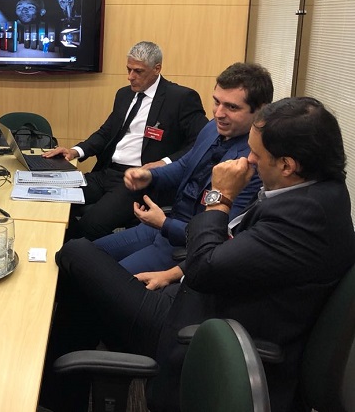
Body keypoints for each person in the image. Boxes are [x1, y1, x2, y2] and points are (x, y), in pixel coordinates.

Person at [42, 97, 355, 412]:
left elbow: (208, 265)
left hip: (197, 330)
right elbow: (244, 253)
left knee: (75, 252)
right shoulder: (320, 193)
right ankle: (63, 393)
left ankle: (57, 391)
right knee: (84, 294)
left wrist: (220, 197)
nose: (248, 160)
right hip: (194, 297)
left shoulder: (304, 217)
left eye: (257, 155)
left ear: (288, 165)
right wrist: (174, 272)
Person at [93, 62, 273, 273]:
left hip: (185, 244)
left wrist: (163, 223)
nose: (218, 113)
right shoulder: (212, 129)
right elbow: (185, 165)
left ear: (260, 110)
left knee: (103, 277)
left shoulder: (254, 163)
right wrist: (150, 175)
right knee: (87, 254)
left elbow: (222, 233)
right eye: (216, 102)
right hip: (165, 225)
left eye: (232, 107)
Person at [44, 41, 208, 239]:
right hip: (107, 173)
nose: (131, 77)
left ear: (157, 69)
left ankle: (65, 263)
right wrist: (75, 151)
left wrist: (163, 164)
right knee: (51, 195)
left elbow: (201, 143)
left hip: (137, 182)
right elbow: (106, 133)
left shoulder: (181, 98)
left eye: (138, 71)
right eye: (129, 69)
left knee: (90, 225)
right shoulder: (124, 94)